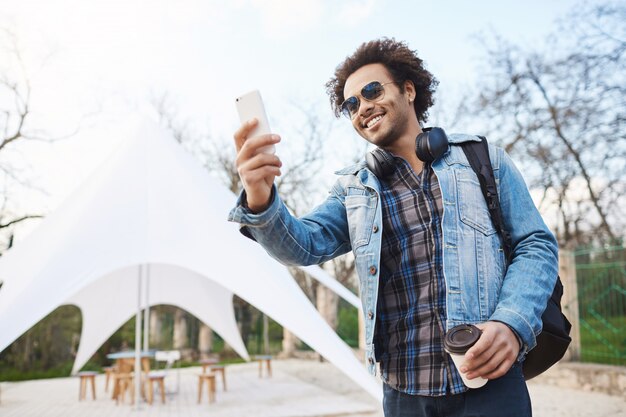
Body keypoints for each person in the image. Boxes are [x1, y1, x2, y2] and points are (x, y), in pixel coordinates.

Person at [228, 38, 558, 417]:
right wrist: (260, 197)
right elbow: (302, 246)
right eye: (351, 104)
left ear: (408, 89)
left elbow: (536, 245)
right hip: (403, 395)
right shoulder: (353, 191)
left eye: (372, 90)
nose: (362, 106)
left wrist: (511, 323)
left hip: (491, 384)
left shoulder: (483, 160)